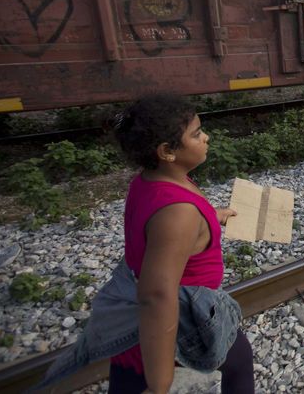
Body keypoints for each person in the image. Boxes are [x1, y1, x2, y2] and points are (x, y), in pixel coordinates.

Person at [39, 94, 254, 393]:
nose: (206, 137)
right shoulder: (179, 214)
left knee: (132, 369)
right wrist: (161, 379)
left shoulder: (152, 181)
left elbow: (161, 228)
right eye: (196, 134)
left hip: (147, 315)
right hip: (184, 317)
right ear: (167, 151)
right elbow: (156, 296)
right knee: (237, 362)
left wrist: (210, 216)